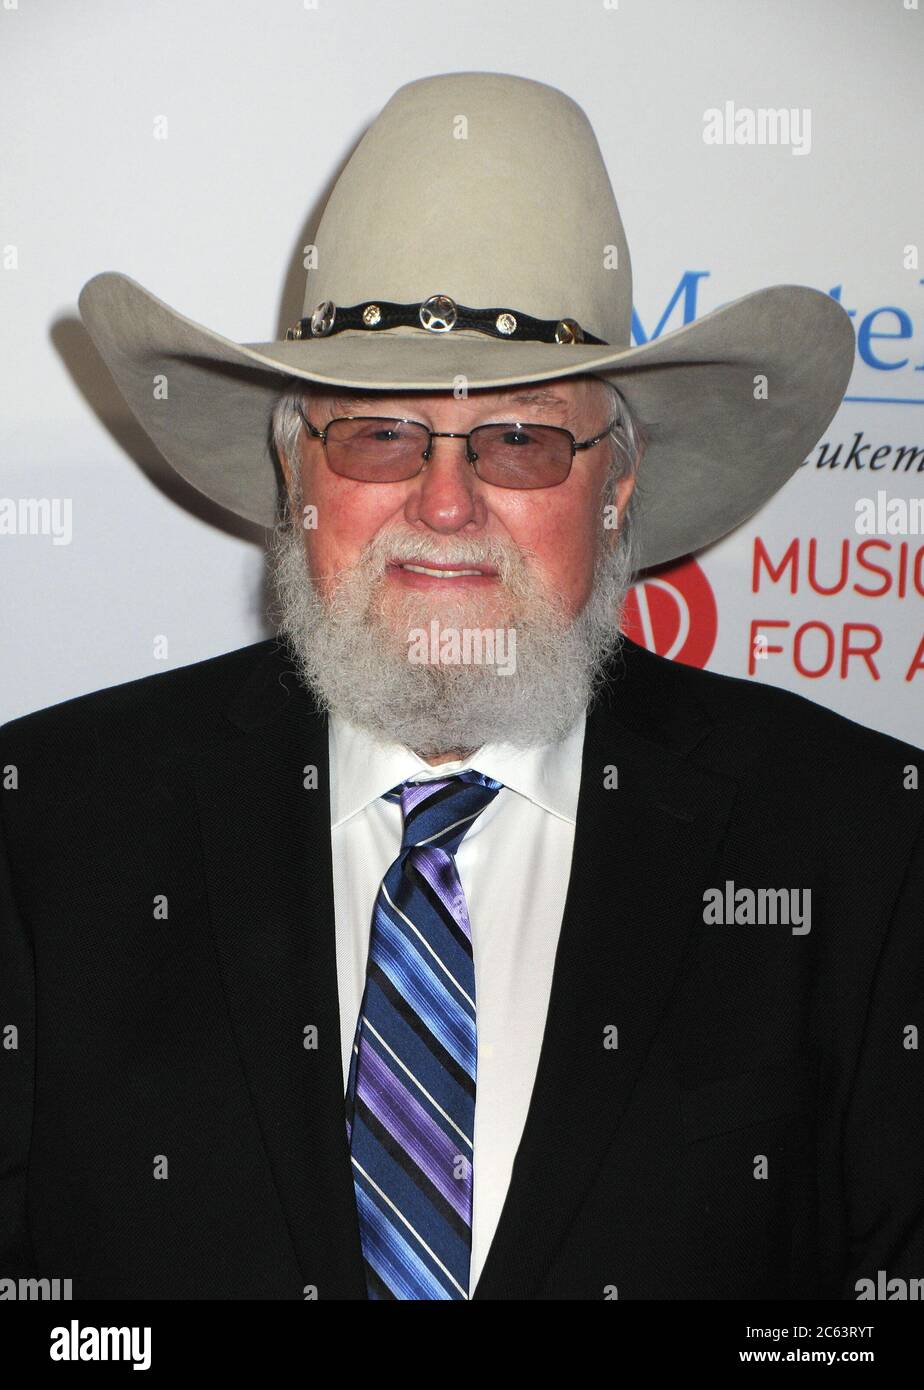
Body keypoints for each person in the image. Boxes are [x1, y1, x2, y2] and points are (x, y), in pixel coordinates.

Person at [1, 71, 921, 1302]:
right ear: (298, 475)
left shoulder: (860, 841)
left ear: (617, 488)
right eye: (380, 432)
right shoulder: (50, 830)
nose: (446, 505)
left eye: (523, 438)